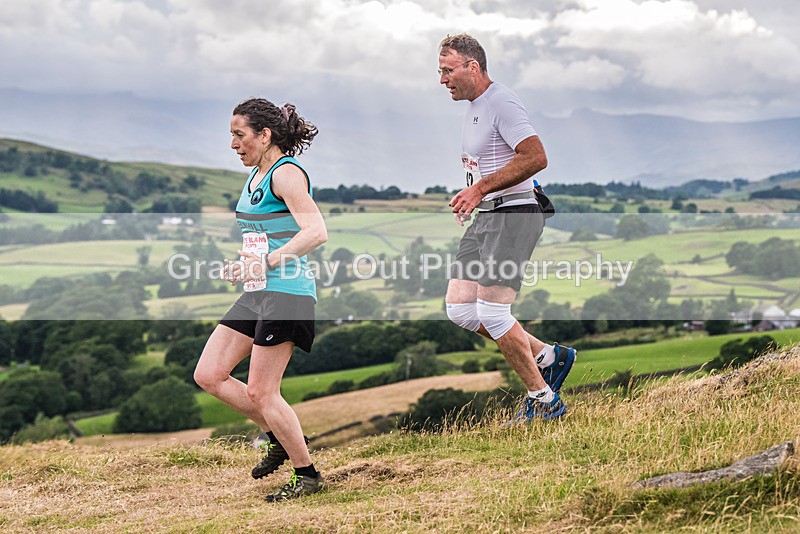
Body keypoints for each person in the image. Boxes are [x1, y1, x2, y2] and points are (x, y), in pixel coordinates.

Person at [438, 34, 576, 423]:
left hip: (514, 215)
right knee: (461, 308)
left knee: (494, 313)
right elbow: (486, 164)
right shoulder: (475, 106)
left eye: (448, 71)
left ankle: (544, 400)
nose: (442, 79)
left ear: (473, 67)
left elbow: (535, 157)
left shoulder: (501, 101)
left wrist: (479, 189)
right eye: (440, 71)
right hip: (489, 215)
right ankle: (549, 356)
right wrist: (474, 196)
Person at [194, 98, 327, 501]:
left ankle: (307, 475)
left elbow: (316, 231)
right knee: (209, 374)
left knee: (262, 392)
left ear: (264, 135)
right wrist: (244, 264)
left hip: (287, 294)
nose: (233, 143)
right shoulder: (256, 175)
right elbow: (267, 236)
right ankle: (277, 437)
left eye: (239, 135)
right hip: (259, 291)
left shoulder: (285, 174)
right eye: (231, 135)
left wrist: (265, 262)